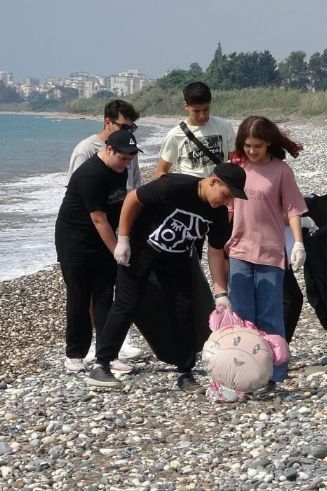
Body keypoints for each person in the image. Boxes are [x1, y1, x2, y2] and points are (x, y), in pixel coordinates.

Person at [86, 162, 247, 391]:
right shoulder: (174, 186)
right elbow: (133, 198)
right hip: (141, 251)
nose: (228, 201)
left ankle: (185, 373)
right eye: (226, 195)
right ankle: (101, 365)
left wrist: (221, 292)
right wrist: (122, 239)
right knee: (126, 305)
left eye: (232, 198)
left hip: (177, 259)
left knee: (182, 311)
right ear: (213, 181)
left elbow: (215, 251)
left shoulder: (218, 214)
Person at [226, 116, 307, 393]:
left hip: (271, 253)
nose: (251, 151)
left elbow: (294, 209)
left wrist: (298, 243)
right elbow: (222, 203)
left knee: (270, 317)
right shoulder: (236, 167)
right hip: (238, 250)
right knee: (243, 317)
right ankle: (245, 373)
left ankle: (275, 373)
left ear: (269, 143)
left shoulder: (281, 171)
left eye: (257, 146)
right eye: (247, 145)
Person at [65, 99, 144, 362]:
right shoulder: (86, 152)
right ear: (107, 122)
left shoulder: (128, 154)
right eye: (124, 126)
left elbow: (131, 193)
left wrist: (126, 234)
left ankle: (109, 348)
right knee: (82, 293)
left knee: (106, 291)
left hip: (111, 227)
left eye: (133, 127)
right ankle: (80, 350)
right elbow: (85, 203)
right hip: (83, 231)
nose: (129, 132)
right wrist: (116, 248)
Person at [155, 81, 235, 178]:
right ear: (186, 106)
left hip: (220, 189)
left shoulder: (225, 126)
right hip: (191, 191)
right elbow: (161, 172)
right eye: (196, 111)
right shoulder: (175, 135)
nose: (202, 116)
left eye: (206, 109)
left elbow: (234, 162)